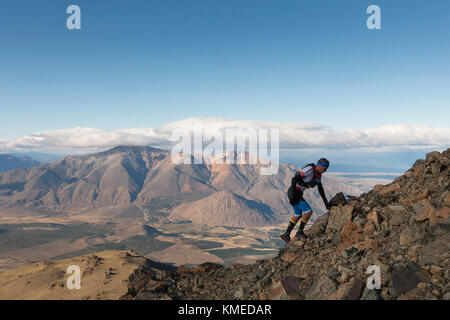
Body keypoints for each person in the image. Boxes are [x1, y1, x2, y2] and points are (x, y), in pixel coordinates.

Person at [280, 158, 330, 243]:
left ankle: (286, 234)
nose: (325, 171)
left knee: (298, 215)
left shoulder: (318, 175)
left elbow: (320, 189)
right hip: (294, 192)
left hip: (298, 193)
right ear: (319, 166)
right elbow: (294, 179)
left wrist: (326, 202)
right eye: (324, 169)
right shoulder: (310, 169)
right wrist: (292, 196)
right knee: (308, 211)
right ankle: (299, 232)